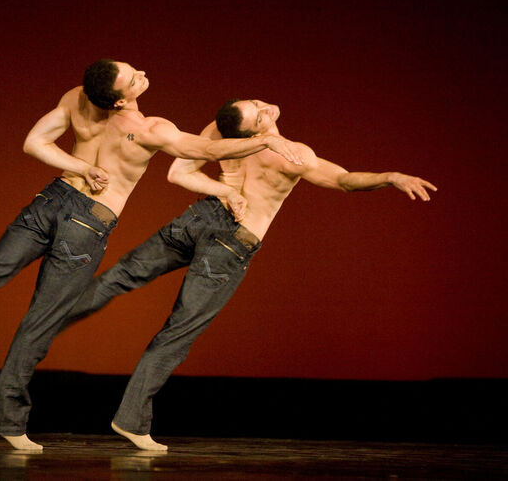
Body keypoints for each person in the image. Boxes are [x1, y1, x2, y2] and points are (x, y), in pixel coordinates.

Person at [0, 61, 302, 451]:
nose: (142, 74)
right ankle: (7, 421)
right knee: (41, 321)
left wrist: (80, 167)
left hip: (49, 202)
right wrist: (265, 138)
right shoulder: (150, 129)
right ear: (120, 101)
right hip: (85, 224)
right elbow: (207, 152)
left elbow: (34, 143)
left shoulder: (78, 98)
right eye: (133, 78)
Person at [57, 98, 436, 451]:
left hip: (198, 219)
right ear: (254, 131)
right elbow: (344, 180)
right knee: (179, 329)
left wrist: (225, 188)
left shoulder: (222, 130)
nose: (263, 103)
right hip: (231, 241)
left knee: (122, 275)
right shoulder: (293, 155)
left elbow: (181, 172)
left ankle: (43, 326)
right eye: (257, 110)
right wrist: (390, 176)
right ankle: (132, 420)